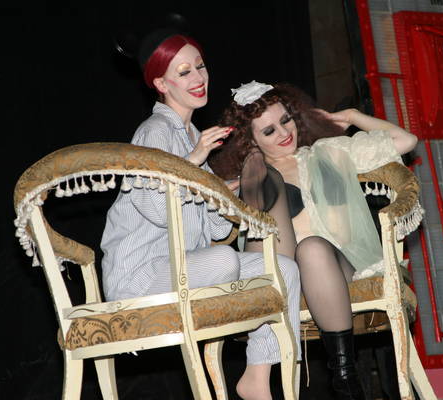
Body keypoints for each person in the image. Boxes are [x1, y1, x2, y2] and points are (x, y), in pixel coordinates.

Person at [100, 34, 301, 400]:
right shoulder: (154, 132)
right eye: (184, 71)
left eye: (200, 66)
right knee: (223, 260)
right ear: (162, 84)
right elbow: (155, 208)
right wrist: (193, 162)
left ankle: (257, 380)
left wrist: (230, 190)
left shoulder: (193, 135)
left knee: (284, 269)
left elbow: (217, 228)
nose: (198, 77)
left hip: (185, 269)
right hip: (140, 277)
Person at [210, 81, 417, 400]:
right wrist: (236, 183)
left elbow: (406, 140)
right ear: (250, 141)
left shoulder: (327, 152)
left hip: (338, 269)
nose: (284, 133)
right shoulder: (252, 179)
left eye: (286, 120)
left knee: (312, 248)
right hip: (278, 273)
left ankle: (344, 378)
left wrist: (352, 116)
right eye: (269, 131)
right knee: (263, 177)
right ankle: (263, 374)